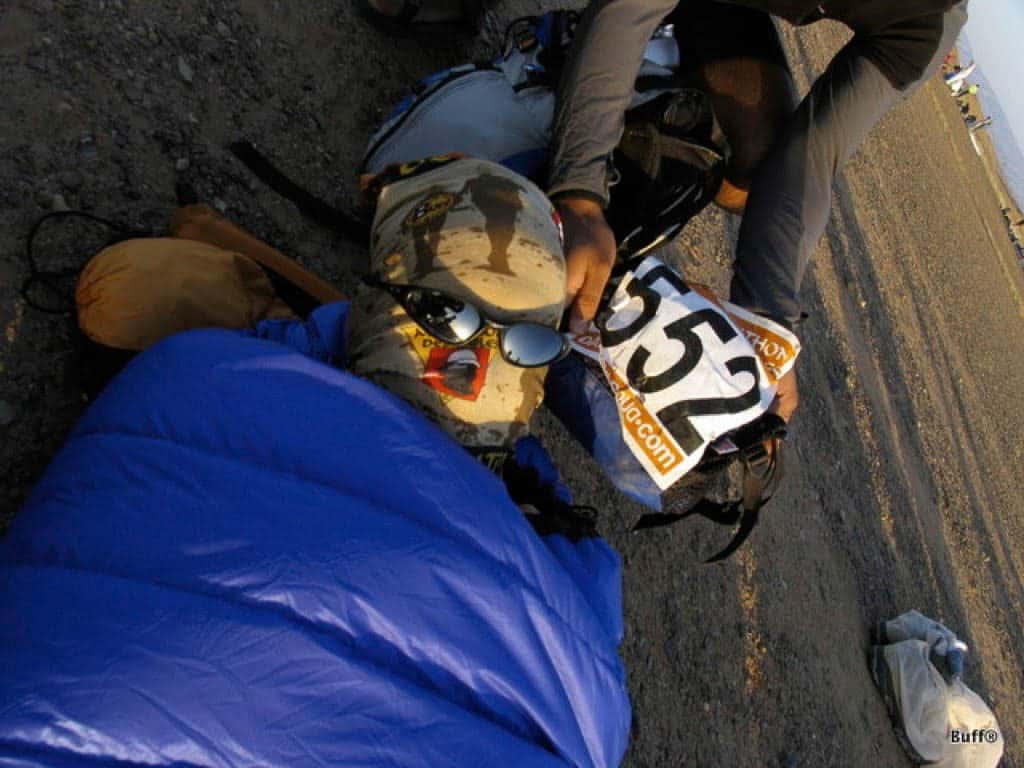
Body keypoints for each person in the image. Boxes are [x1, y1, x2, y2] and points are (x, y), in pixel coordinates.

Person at [1, 157, 633, 767]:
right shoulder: (566, 578)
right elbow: (589, 705)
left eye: (526, 342)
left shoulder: (199, 376)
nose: (485, 365)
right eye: (449, 316)